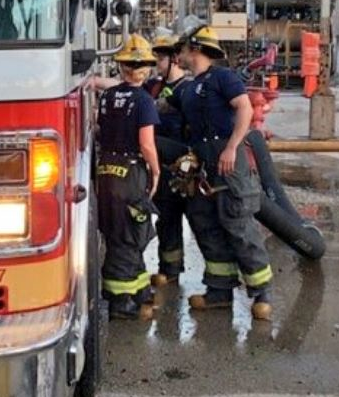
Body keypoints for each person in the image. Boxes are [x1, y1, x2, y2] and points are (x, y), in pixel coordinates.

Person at [173, 25, 274, 320]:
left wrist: (232, 147)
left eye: (182, 49)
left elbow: (244, 109)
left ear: (195, 49)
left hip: (228, 161)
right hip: (202, 164)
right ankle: (219, 291)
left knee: (238, 224)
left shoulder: (223, 77)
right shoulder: (189, 88)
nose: (178, 55)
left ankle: (262, 293)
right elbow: (161, 103)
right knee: (207, 225)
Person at [96, 33, 163, 320]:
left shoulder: (107, 97)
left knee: (117, 229)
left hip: (105, 170)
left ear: (121, 67)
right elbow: (146, 143)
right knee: (130, 232)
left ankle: (139, 291)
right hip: (131, 171)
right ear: (146, 68)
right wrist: (156, 170)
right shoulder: (144, 100)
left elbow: (99, 130)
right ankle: (121, 301)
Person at [149, 28, 192, 288]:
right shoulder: (155, 87)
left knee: (200, 220)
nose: (157, 63)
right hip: (163, 167)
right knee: (166, 219)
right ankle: (170, 270)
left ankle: (222, 281)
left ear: (175, 59)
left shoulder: (188, 90)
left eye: (161, 59)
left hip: (185, 164)